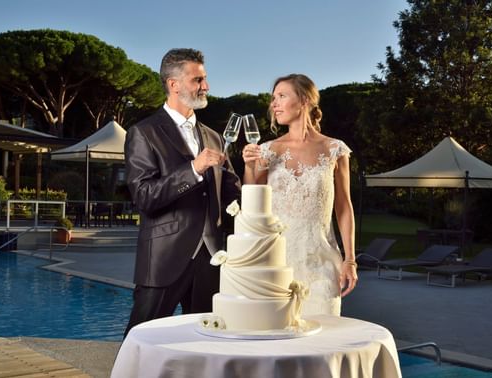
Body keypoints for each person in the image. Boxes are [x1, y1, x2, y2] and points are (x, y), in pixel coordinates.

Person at [123, 48, 241, 337]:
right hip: (164, 258)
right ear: (173, 84)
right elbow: (145, 197)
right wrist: (193, 169)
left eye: (205, 79)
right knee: (141, 339)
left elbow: (231, 195)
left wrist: (250, 171)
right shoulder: (143, 133)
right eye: (198, 80)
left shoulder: (214, 136)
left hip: (211, 257)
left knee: (206, 344)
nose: (206, 86)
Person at [242, 73, 357, 316]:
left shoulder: (335, 149)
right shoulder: (267, 150)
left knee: (322, 340)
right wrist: (249, 166)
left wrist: (350, 259)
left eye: (282, 96)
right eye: (273, 98)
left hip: (321, 263)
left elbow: (344, 207)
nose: (274, 104)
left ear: (304, 100)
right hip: (274, 263)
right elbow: (251, 201)